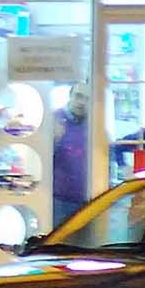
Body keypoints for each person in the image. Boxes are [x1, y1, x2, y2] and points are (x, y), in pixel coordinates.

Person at [52, 88, 91, 224]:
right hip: (59, 198)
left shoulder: (95, 124)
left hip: (90, 198)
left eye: (87, 98)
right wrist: (54, 140)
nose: (81, 102)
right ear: (70, 96)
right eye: (78, 96)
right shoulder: (54, 120)